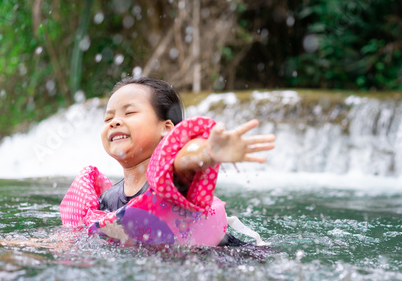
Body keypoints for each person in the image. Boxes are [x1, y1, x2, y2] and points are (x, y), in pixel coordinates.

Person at [90, 76, 275, 246]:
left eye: (129, 113)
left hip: (227, 259)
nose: (114, 122)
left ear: (166, 128)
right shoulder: (107, 199)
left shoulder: (169, 181)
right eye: (108, 118)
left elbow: (184, 160)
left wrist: (209, 151)